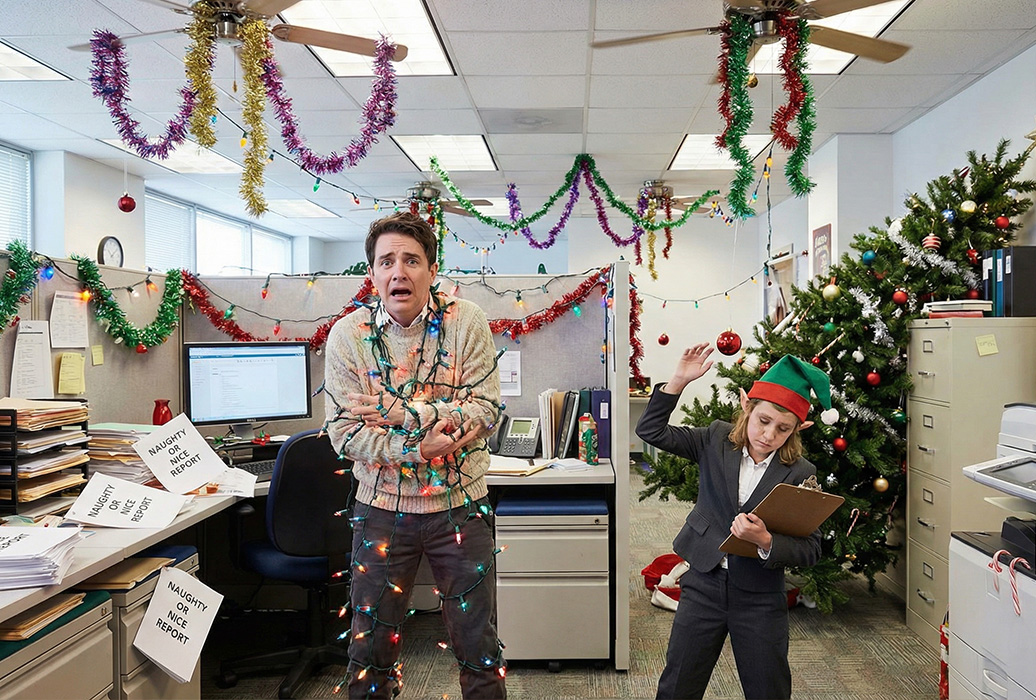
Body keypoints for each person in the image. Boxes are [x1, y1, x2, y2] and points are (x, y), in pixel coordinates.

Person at [323, 212, 505, 699]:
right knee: (370, 650)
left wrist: (401, 414)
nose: (398, 272)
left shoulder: (466, 321)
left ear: (432, 269)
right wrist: (421, 446)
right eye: (386, 261)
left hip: (460, 507)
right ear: (372, 274)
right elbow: (342, 433)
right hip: (381, 511)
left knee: (477, 645)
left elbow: (485, 410)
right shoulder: (347, 336)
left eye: (411, 260)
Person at [637, 344, 828, 700]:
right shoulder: (714, 440)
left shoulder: (801, 473)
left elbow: (811, 548)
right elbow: (651, 431)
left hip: (759, 596)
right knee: (678, 685)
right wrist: (677, 381)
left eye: (783, 429)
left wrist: (766, 541)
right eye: (763, 421)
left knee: (768, 689)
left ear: (800, 428)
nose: (769, 435)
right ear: (746, 406)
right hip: (704, 584)